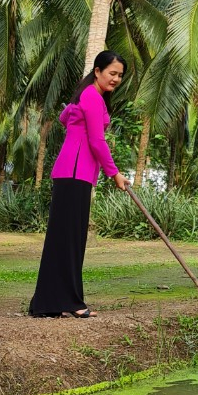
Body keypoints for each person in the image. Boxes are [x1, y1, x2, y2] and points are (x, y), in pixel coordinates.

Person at [29, 50, 129, 318]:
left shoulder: (86, 97)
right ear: (97, 71)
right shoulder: (93, 98)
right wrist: (115, 173)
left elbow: (65, 117)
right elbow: (97, 141)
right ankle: (69, 302)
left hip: (73, 174)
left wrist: (76, 119)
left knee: (65, 239)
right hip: (75, 174)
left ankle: (52, 302)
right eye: (112, 73)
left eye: (120, 75)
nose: (116, 79)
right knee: (69, 240)